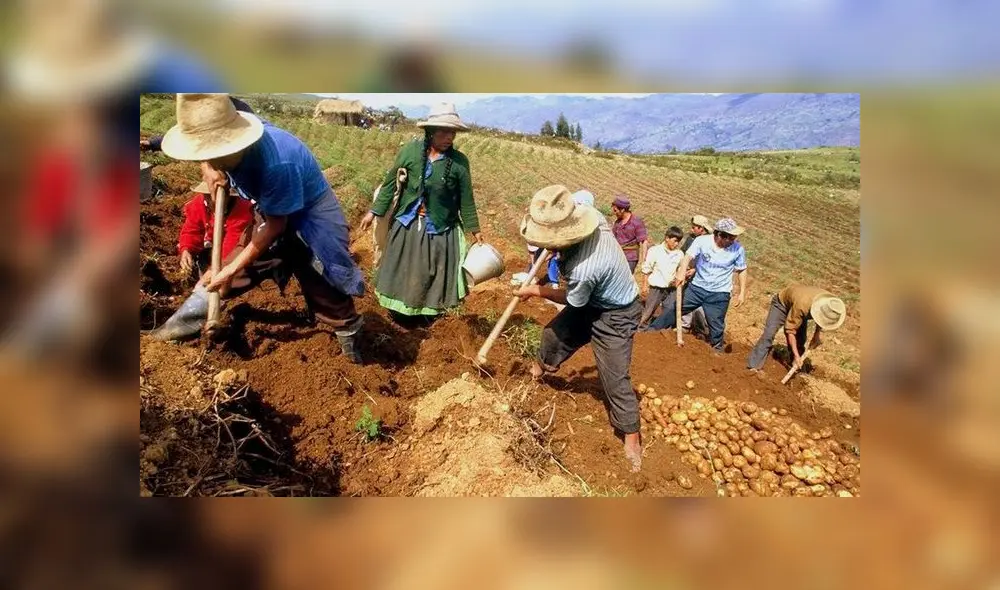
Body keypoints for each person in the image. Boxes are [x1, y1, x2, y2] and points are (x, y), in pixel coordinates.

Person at [155, 94, 366, 362]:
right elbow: (205, 142)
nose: (208, 157)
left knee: (318, 270)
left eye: (212, 153)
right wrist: (208, 166)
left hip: (310, 209)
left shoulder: (278, 162)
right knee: (228, 267)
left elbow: (277, 225)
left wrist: (231, 270)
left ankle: (349, 335)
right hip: (269, 205)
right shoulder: (227, 136)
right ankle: (180, 326)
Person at [515, 185, 644, 472]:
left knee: (614, 377)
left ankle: (632, 436)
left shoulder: (586, 267)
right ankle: (538, 371)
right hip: (592, 299)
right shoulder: (590, 216)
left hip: (617, 312)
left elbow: (572, 300)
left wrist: (535, 290)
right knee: (553, 334)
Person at [359, 103, 482, 319]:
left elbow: (466, 199)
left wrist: (475, 229)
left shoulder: (459, 163)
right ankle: (397, 312)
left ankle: (428, 314)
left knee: (429, 272)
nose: (449, 137)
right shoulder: (410, 152)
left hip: (439, 227)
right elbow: (390, 184)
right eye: (444, 132)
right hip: (407, 223)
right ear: (430, 131)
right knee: (401, 269)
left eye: (453, 132)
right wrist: (374, 212)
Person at [645, 218, 748, 354]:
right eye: (731, 237)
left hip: (719, 293)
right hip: (696, 289)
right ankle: (651, 333)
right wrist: (681, 273)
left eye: (734, 237)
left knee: (716, 324)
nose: (733, 240)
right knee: (674, 309)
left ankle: (717, 350)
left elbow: (742, 270)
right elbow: (688, 257)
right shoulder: (702, 241)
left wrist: (742, 293)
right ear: (720, 235)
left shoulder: (738, 249)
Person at [747, 285, 846, 373]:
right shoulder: (802, 306)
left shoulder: (830, 303)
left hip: (798, 304)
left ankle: (796, 368)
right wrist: (796, 355)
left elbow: (822, 319)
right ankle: (753, 365)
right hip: (782, 305)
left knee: (801, 340)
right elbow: (790, 331)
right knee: (769, 334)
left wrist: (816, 335)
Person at [176, 181, 253, 282]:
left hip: (239, 251)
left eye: (212, 196)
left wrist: (215, 270)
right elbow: (192, 229)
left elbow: (232, 245)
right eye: (206, 196)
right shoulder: (199, 203)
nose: (208, 200)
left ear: (228, 196)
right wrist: (186, 249)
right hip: (213, 244)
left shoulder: (242, 210)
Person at [638, 226, 685, 328]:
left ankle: (660, 329)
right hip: (656, 287)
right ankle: (641, 330)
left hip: (671, 288)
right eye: (675, 241)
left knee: (669, 309)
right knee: (649, 310)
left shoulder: (679, 254)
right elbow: (646, 269)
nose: (677, 244)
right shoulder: (655, 251)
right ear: (667, 238)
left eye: (678, 241)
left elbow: (681, 269)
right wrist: (645, 285)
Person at [610, 196, 648, 273]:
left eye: (615, 210)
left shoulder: (636, 222)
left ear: (622, 210)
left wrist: (644, 260)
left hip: (630, 258)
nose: (614, 213)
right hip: (617, 255)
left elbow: (644, 241)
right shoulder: (618, 222)